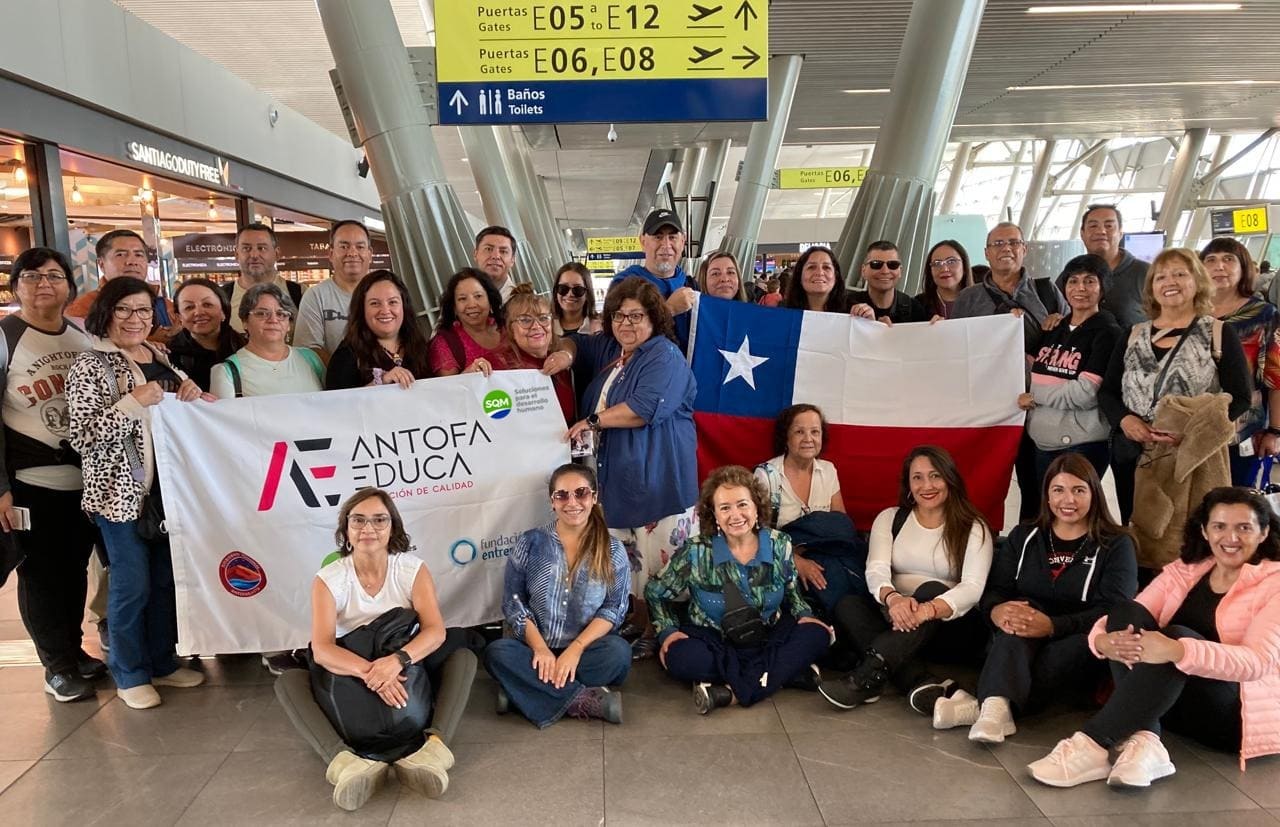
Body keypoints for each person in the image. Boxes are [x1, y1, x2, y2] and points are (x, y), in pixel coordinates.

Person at [1028, 486, 1280, 787]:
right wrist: (1101, 641)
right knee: (1126, 611)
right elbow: (1130, 615)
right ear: (1204, 530)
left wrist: (1178, 650)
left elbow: (1258, 663)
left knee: (1177, 635)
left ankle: (1093, 744)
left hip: (1234, 717)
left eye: (1244, 528)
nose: (1231, 537)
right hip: (1168, 703)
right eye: (1219, 526)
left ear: (1264, 532)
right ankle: (1146, 740)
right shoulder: (1188, 570)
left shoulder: (1274, 584)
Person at [274, 488, 478, 811]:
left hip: (402, 660)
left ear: (392, 527)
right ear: (346, 530)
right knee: (288, 681)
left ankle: (434, 750)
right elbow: (323, 649)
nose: (368, 528)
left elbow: (434, 630)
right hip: (350, 666)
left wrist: (396, 662)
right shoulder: (328, 579)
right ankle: (344, 763)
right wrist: (371, 672)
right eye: (358, 520)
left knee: (463, 656)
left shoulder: (412, 569)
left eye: (379, 520)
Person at [66, 276, 210, 709]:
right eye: (124, 309)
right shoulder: (90, 364)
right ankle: (129, 672)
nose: (135, 318)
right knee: (132, 583)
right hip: (120, 496)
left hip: (170, 493)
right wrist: (133, 402)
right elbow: (83, 435)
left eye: (144, 310)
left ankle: (161, 662)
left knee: (165, 581)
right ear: (106, 313)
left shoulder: (160, 355)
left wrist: (191, 394)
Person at [932, 453, 1137, 742]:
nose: (1068, 500)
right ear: (1047, 496)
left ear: (1094, 494)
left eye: (1079, 490)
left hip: (1079, 638)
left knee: (1045, 644)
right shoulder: (1024, 535)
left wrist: (1052, 626)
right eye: (1058, 490)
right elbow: (995, 591)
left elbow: (1114, 609)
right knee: (1020, 615)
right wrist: (997, 610)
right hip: (1018, 638)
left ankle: (985, 705)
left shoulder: (1116, 543)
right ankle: (995, 710)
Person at [566, 277, 698, 660]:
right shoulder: (618, 355)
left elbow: (644, 408)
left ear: (654, 318)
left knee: (659, 566)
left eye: (636, 316)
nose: (626, 323)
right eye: (619, 316)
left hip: (659, 480)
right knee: (630, 565)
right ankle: (638, 621)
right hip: (619, 481)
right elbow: (574, 343)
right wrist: (563, 354)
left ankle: (661, 630)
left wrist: (592, 421)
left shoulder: (664, 355)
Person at [819, 446, 993, 716]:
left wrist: (927, 610)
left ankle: (864, 677)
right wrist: (894, 599)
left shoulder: (974, 526)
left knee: (932, 589)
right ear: (909, 485)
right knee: (848, 604)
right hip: (898, 620)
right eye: (917, 478)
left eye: (935, 476)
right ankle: (919, 681)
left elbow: (972, 588)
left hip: (949, 629)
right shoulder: (890, 518)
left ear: (949, 479)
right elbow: (876, 569)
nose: (927, 485)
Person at [646, 465, 833, 714]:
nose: (735, 515)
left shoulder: (780, 544)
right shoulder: (696, 551)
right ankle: (781, 675)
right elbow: (655, 592)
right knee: (681, 657)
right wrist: (667, 631)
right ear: (714, 514)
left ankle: (729, 693)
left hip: (767, 636)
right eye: (725, 508)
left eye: (742, 504)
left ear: (756, 507)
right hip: (714, 641)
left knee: (818, 635)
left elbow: (791, 592)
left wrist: (804, 614)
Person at [0, 248, 101, 702]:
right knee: (40, 574)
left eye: (54, 276)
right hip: (30, 483)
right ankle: (56, 666)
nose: (44, 284)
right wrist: (0, 489)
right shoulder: (5, 338)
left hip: (82, 481)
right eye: (32, 276)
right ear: (15, 287)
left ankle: (73, 650)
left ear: (69, 287)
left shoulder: (81, 336)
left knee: (74, 569)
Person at [1100, 248, 1252, 544]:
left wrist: (1194, 433)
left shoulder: (1218, 333)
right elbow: (1107, 392)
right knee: (1137, 530)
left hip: (1189, 456)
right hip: (1134, 452)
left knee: (1188, 535)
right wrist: (1125, 420)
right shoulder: (1133, 334)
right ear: (1151, 288)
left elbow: (1240, 397)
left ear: (1197, 282)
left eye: (1180, 274)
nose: (1170, 282)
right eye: (1161, 277)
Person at [485, 463, 631, 727]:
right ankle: (583, 700)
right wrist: (541, 649)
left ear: (594, 497)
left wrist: (575, 650)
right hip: (535, 651)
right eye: (562, 495)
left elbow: (613, 609)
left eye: (581, 493)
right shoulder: (530, 542)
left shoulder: (613, 549)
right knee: (498, 652)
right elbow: (514, 603)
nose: (572, 502)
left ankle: (523, 692)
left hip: (587, 652)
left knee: (618, 653)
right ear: (552, 502)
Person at [954, 222, 1069, 522]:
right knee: (983, 480)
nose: (1006, 249)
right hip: (988, 409)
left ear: (1024, 249)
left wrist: (1056, 326)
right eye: (998, 244)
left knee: (1037, 485)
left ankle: (1032, 540)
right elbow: (956, 351)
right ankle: (980, 537)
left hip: (1038, 406)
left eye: (1013, 243)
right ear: (986, 253)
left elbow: (1071, 343)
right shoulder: (969, 299)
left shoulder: (1046, 292)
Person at [1018, 254, 1122, 483]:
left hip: (1081, 445)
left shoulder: (1108, 333)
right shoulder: (1053, 328)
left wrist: (1034, 397)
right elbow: (1027, 370)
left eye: (1089, 281)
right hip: (1041, 442)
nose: (1080, 288)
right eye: (1073, 281)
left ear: (1103, 287)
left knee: (1073, 503)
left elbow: (1085, 393)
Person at [753, 404, 862, 616]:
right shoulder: (766, 476)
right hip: (781, 559)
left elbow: (841, 526)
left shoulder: (828, 470)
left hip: (826, 556)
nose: (808, 439)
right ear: (785, 437)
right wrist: (795, 560)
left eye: (815, 432)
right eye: (799, 432)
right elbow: (756, 535)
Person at [1203, 237, 1280, 485]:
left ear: (1244, 267)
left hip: (1244, 428)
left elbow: (1276, 377)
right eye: (1211, 260)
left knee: (1237, 497)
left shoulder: (1264, 315)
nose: (1219, 266)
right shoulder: (1189, 313)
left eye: (1228, 259)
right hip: (1195, 426)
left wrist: (1275, 431)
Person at [210, 283, 324, 400]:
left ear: (289, 324)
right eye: (262, 313)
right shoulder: (226, 372)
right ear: (244, 321)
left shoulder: (311, 359)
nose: (273, 320)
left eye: (281, 314)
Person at [324, 270, 432, 391]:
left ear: (404, 306)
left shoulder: (422, 347)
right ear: (362, 309)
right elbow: (335, 401)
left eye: (393, 302)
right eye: (375, 303)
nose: (385, 311)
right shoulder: (346, 355)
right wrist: (381, 382)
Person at [66, 230, 177, 343]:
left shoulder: (165, 306)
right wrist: (149, 342)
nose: (132, 262)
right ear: (101, 264)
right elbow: (81, 345)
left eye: (138, 255)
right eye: (120, 255)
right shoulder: (82, 308)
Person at [617, 209, 698, 350]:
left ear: (683, 241)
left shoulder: (692, 286)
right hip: (645, 363)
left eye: (672, 237)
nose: (666, 245)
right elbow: (622, 335)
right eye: (658, 237)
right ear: (643, 241)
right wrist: (669, 309)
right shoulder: (624, 285)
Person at [295, 220, 372, 360]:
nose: (352, 253)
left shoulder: (385, 295)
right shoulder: (316, 296)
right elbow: (309, 351)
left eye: (360, 247)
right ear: (331, 254)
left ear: (370, 254)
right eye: (344, 246)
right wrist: (342, 371)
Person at [500, 284, 576, 424]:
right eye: (525, 320)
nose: (536, 326)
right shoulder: (498, 365)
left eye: (543, 318)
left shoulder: (560, 362)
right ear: (511, 328)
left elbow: (571, 343)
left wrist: (567, 355)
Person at [224, 223, 304, 334]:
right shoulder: (222, 298)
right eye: (246, 248)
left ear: (277, 253)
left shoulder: (300, 294)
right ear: (236, 254)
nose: (254, 255)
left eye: (262, 248)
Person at [426, 269, 508, 377]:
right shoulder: (444, 343)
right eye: (462, 299)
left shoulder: (509, 327)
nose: (472, 305)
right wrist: (468, 375)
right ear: (454, 307)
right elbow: (447, 386)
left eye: (478, 296)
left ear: (490, 299)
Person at [168, 278, 245, 392]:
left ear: (223, 311)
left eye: (207, 305)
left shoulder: (246, 349)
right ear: (179, 318)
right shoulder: (169, 357)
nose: (199, 312)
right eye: (189, 307)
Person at [1079, 204, 1148, 330]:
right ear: (1082, 234)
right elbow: (1060, 312)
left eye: (1109, 226)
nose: (1101, 231)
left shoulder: (1146, 273)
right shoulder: (1073, 272)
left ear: (1121, 233)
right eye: (1093, 226)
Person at [849, 241, 930, 324]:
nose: (885, 271)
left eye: (893, 265)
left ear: (900, 271)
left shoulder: (915, 310)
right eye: (876, 264)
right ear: (863, 271)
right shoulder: (846, 305)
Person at [916, 239, 974, 320]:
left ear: (964, 266)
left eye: (951, 261)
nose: (944, 269)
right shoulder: (916, 305)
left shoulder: (981, 301)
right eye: (937, 263)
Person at [782, 245, 849, 313]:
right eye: (811, 267)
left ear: (836, 276)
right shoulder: (782, 311)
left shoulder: (851, 310)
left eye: (826, 267)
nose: (819, 273)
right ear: (799, 276)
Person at [552, 262, 602, 335]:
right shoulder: (545, 327)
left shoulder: (600, 328)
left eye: (578, 289)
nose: (570, 294)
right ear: (556, 291)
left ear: (587, 294)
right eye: (563, 288)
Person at [473, 226, 518, 304]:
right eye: (488, 249)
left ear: (512, 260)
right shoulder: (457, 298)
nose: (495, 256)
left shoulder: (525, 303)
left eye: (503, 251)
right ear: (475, 254)